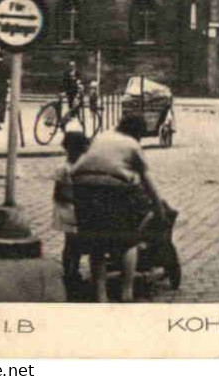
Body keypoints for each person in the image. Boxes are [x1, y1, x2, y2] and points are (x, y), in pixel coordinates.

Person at [72, 113, 166, 303]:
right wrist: (159, 207)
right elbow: (148, 181)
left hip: (81, 187)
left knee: (96, 241)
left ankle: (100, 295)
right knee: (128, 241)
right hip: (112, 189)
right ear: (138, 133)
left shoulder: (102, 136)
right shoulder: (132, 145)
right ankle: (127, 291)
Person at [52, 120, 90, 297]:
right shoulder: (64, 169)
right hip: (67, 209)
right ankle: (70, 272)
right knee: (71, 243)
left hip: (75, 208)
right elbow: (59, 193)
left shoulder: (79, 167)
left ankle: (72, 270)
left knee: (75, 243)